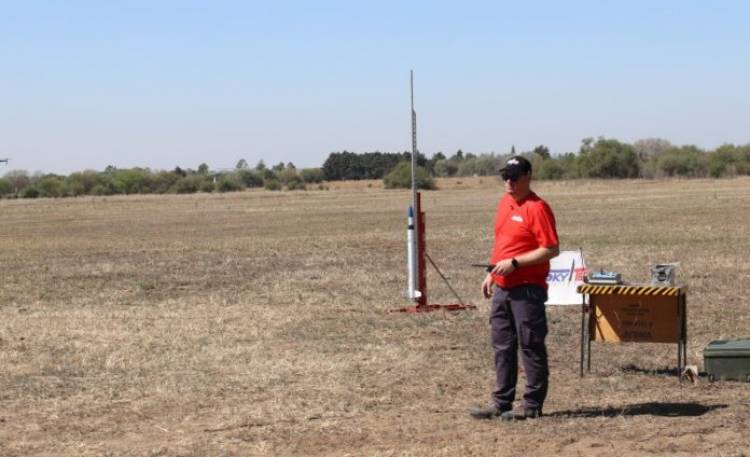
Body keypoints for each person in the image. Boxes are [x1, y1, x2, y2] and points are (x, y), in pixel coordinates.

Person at [470, 156, 559, 421]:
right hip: (503, 287)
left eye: (514, 176)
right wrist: (493, 273)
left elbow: (551, 249)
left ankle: (531, 404)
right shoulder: (505, 203)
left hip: (527, 288)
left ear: (528, 176)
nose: (508, 181)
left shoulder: (538, 208)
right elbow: (503, 243)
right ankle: (501, 401)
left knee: (530, 345)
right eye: (505, 176)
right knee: (502, 345)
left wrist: (516, 263)